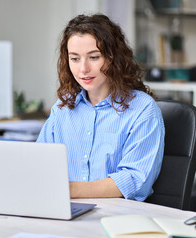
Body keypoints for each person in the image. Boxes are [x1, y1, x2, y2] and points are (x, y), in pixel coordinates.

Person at [36, 14, 165, 201]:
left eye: (94, 57)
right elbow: (39, 163)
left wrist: (67, 190)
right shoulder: (63, 106)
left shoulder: (143, 109)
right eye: (75, 58)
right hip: (63, 211)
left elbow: (134, 179)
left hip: (117, 218)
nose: (83, 69)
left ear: (113, 58)